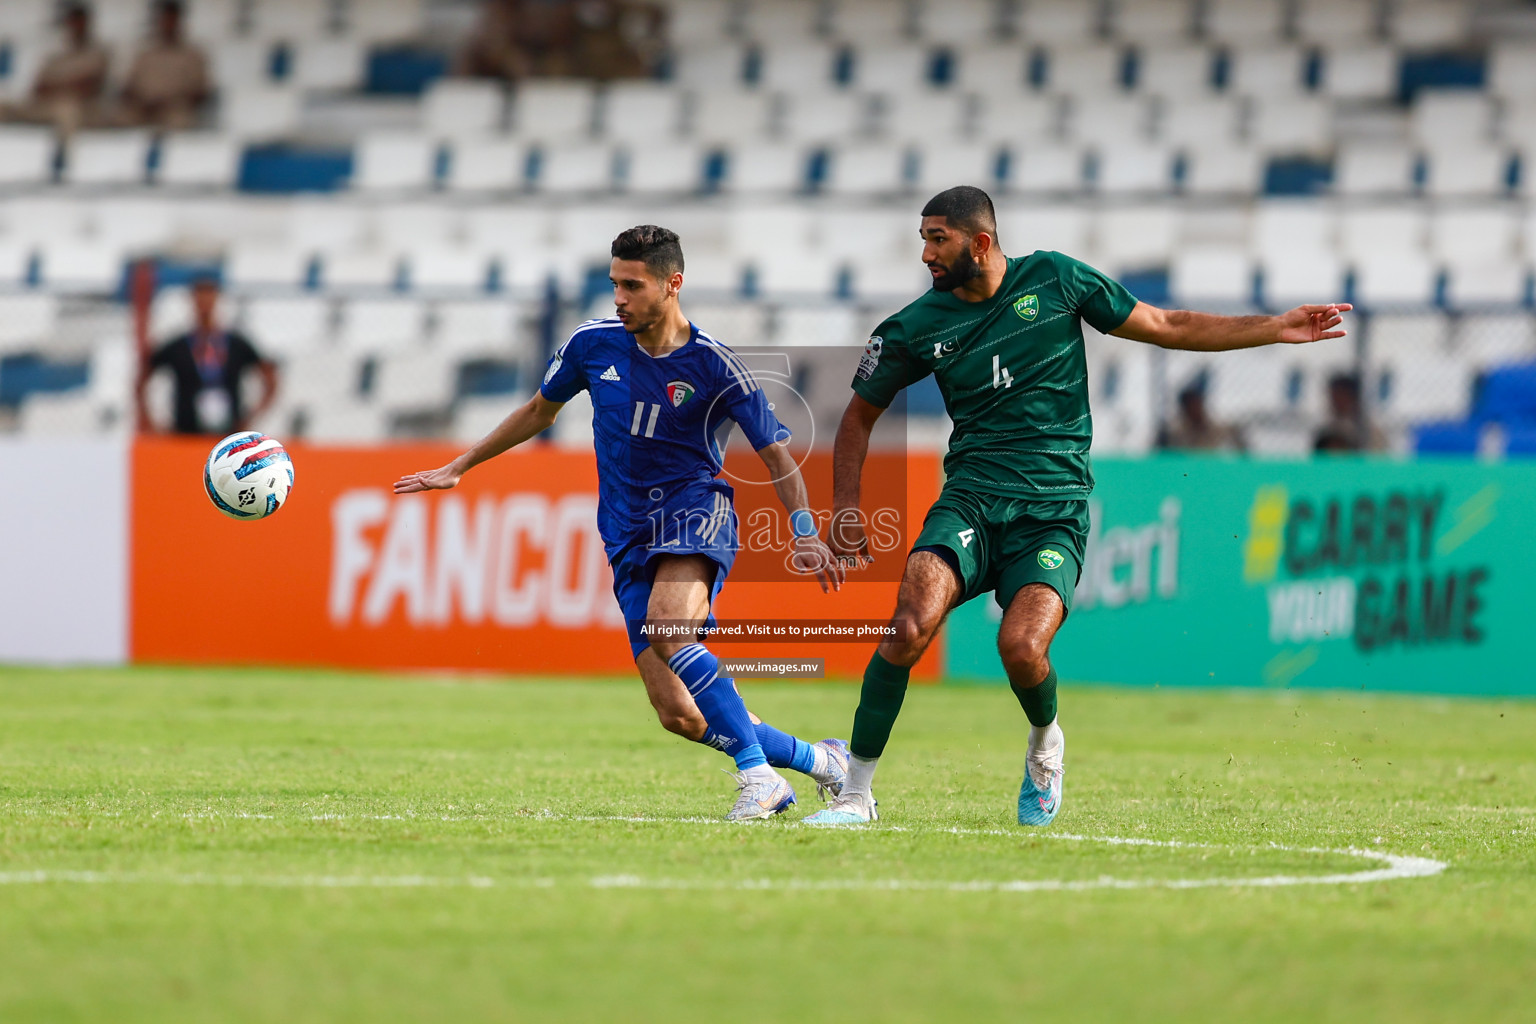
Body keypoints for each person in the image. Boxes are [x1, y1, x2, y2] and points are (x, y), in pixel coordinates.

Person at [806, 185, 1350, 826]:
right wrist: (845, 507)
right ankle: (855, 795)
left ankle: (1045, 744)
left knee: (1021, 649)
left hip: (1053, 507)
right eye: (922, 238)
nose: (925, 252)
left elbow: (1166, 325)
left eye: (937, 238)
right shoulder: (915, 327)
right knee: (906, 627)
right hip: (971, 502)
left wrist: (1272, 328)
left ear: (980, 242)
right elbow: (856, 419)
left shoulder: (1057, 280)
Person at [394, 225, 850, 821]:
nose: (619, 297)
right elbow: (538, 410)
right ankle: (821, 763)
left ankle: (758, 779)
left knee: (669, 627)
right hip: (625, 531)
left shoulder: (715, 365)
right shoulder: (592, 346)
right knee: (680, 714)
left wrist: (806, 532)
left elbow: (776, 456)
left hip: (695, 511)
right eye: (614, 284)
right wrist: (460, 466)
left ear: (672, 284)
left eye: (632, 286)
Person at [136, 277, 278, 436]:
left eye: (209, 297)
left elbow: (269, 378)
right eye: (200, 298)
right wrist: (151, 421)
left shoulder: (237, 344)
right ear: (192, 301)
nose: (205, 304)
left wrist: (251, 417)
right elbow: (142, 379)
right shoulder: (177, 347)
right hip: (185, 434)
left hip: (228, 432)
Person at [1, 3, 110, 136]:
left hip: (79, 108)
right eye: (73, 22)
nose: (76, 27)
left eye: (79, 22)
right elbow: (39, 87)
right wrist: (65, 85)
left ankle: (63, 155)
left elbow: (89, 87)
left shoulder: (98, 53)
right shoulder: (56, 54)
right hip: (44, 105)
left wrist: (58, 86)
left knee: (67, 112)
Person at [119, 1, 209, 130]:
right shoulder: (144, 52)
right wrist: (141, 101)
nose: (168, 24)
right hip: (144, 107)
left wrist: (171, 101)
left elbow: (200, 92)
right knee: (121, 120)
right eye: (165, 20)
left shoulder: (192, 54)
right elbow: (127, 87)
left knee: (180, 122)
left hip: (175, 109)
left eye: (172, 20)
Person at [1159, 376, 1246, 452]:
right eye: (1190, 405)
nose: (1194, 408)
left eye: (1197, 403)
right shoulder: (1174, 432)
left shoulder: (1218, 429)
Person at [1314, 372, 1387, 452]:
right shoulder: (1324, 428)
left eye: (1342, 396)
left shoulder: (1369, 431)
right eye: (1334, 396)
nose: (1337, 401)